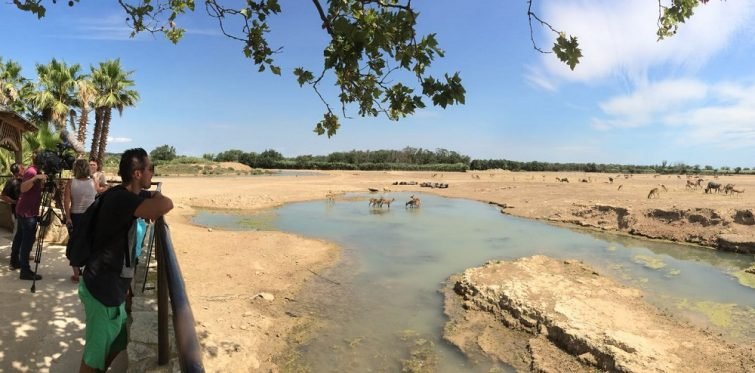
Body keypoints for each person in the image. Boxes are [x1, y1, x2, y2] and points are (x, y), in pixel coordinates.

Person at [79, 148, 172, 372]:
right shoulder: (122, 199)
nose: (153, 173)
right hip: (101, 290)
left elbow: (149, 201)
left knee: (118, 342)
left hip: (112, 287)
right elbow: (165, 205)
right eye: (151, 168)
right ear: (138, 173)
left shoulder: (122, 194)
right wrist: (157, 196)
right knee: (94, 354)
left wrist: (151, 194)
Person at [11, 155, 47, 280]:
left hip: (25, 211)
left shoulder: (35, 171)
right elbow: (23, 188)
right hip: (27, 213)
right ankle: (25, 271)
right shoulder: (32, 171)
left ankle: (14, 261)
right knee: (27, 241)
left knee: (19, 237)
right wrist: (36, 177)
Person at [63, 159, 97, 283]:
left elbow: (66, 201)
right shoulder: (93, 182)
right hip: (91, 217)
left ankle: (77, 274)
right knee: (90, 243)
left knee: (75, 244)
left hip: (76, 216)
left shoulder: (71, 182)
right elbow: (97, 195)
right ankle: (89, 271)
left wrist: (67, 217)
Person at [1, 163, 24, 263]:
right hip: (16, 212)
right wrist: (14, 201)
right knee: (17, 234)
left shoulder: (24, 180)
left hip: (25, 212)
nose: (24, 169)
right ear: (18, 171)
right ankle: (15, 257)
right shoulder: (12, 182)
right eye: (22, 168)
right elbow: (3, 196)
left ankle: (23, 253)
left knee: (24, 234)